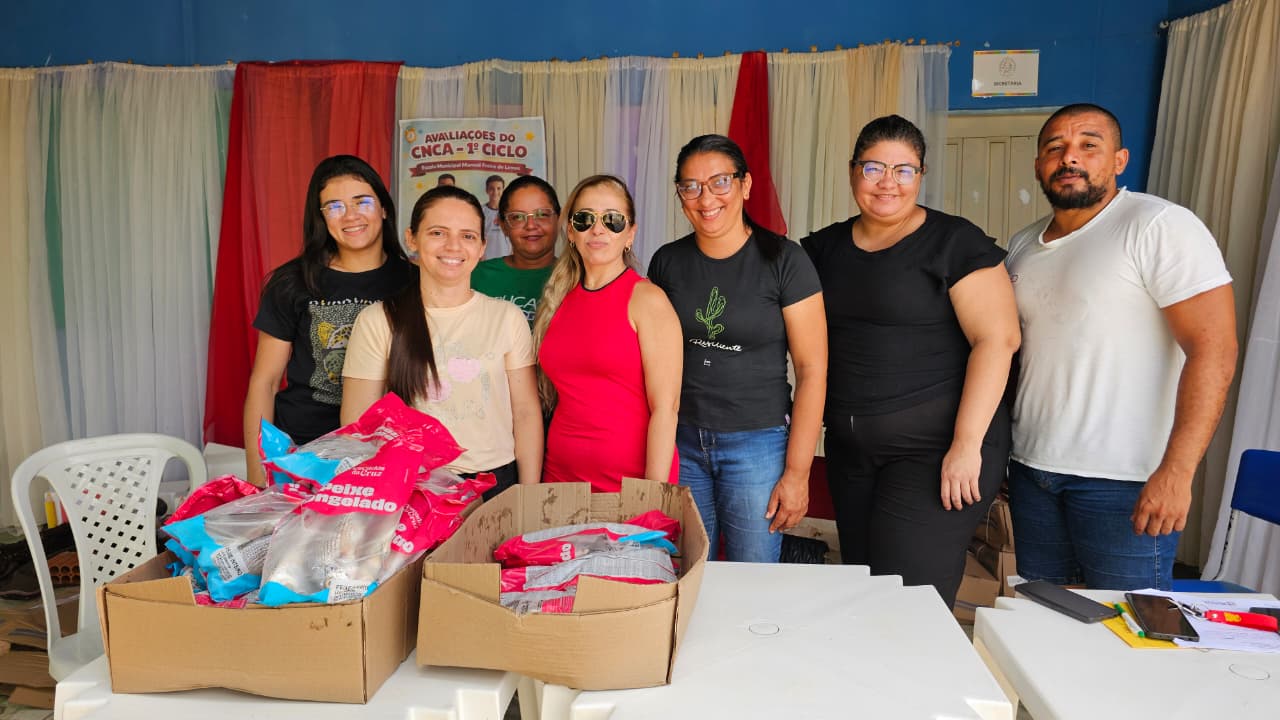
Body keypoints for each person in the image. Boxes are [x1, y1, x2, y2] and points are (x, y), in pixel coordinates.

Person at [1005, 103, 1237, 590]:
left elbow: (1214, 350)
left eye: (1088, 145)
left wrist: (1177, 471)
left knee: (1128, 625)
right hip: (1033, 472)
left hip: (1125, 481)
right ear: (1039, 165)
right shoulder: (1023, 245)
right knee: (1041, 618)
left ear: (1119, 159)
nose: (1070, 157)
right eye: (1055, 148)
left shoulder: (1158, 225)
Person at [800, 115, 1020, 607]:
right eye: (874, 167)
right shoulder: (823, 249)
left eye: (904, 170)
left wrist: (967, 445)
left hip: (936, 452)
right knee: (863, 591)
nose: (888, 183)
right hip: (852, 455)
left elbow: (998, 339)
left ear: (921, 175)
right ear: (853, 171)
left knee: (908, 601)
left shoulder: (955, 243)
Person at [648, 134, 827, 562]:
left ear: (745, 185)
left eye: (720, 182)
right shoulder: (667, 262)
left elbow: (813, 370)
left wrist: (798, 473)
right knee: (687, 569)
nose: (706, 198)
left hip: (757, 444)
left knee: (754, 574)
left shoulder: (785, 260)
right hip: (682, 440)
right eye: (691, 186)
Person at [341, 186, 544, 499]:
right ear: (412, 239)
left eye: (467, 236)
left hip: (496, 483)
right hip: (412, 487)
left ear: (482, 247)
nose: (453, 246)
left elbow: (526, 412)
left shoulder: (506, 317)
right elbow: (359, 427)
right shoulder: (377, 320)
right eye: (438, 232)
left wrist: (529, 496)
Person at [243, 155, 413, 487]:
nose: (350, 215)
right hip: (303, 452)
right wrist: (257, 473)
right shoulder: (293, 282)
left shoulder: (414, 282)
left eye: (362, 202)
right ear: (321, 217)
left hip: (389, 451)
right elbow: (265, 381)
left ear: (384, 208)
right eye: (334, 207)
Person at [534, 174, 682, 492]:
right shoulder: (558, 299)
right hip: (559, 477)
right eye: (585, 219)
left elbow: (666, 410)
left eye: (612, 220)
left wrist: (652, 495)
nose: (598, 229)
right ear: (571, 232)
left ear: (630, 234)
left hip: (628, 482)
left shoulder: (647, 300)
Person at [471, 175, 560, 326]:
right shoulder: (476, 277)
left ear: (558, 219)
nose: (531, 225)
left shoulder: (576, 278)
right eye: (518, 217)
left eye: (542, 215)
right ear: (503, 226)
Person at [481, 175, 507, 258]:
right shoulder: (480, 211)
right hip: (486, 258)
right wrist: (481, 256)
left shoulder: (510, 211)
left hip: (506, 257)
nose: (495, 192)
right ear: (486, 190)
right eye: (491, 188)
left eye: (499, 188)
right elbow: (478, 236)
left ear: (503, 190)